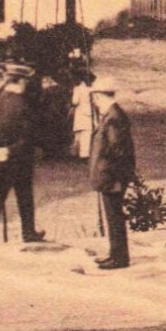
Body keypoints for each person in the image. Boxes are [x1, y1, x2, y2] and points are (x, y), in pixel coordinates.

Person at [0, 65, 44, 247]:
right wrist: (10, 150)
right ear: (20, 81)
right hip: (20, 159)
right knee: (24, 195)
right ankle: (28, 232)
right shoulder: (25, 105)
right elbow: (27, 137)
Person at [88, 76, 136, 270]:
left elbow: (117, 150)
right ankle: (114, 253)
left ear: (100, 96)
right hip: (111, 176)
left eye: (95, 97)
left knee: (114, 217)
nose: (94, 102)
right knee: (113, 216)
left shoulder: (114, 117)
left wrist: (109, 173)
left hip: (113, 177)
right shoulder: (112, 115)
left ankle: (119, 258)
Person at [71, 71, 96, 160]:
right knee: (86, 135)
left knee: (78, 134)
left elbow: (74, 101)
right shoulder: (90, 89)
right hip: (87, 114)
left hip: (80, 114)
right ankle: (83, 154)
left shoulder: (78, 89)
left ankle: (76, 152)